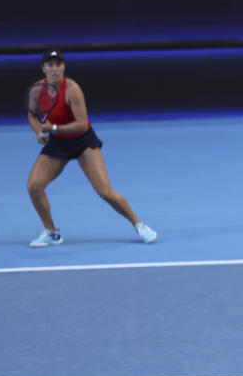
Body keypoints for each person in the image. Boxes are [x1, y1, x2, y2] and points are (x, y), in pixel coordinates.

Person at [25, 50, 157, 247]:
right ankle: (52, 233)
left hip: (82, 142)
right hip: (57, 144)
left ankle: (140, 225)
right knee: (34, 186)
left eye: (58, 64)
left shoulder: (72, 89)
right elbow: (32, 115)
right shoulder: (37, 90)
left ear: (64, 67)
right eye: (50, 65)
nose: (55, 68)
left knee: (105, 192)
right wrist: (38, 132)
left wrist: (52, 127)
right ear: (43, 68)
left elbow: (82, 124)